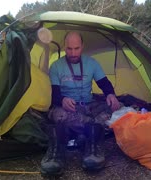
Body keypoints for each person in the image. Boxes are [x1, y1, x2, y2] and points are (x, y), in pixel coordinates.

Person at [40, 31, 120, 176]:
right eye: (69, 49)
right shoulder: (56, 67)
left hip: (88, 105)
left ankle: (82, 137)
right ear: (65, 47)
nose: (73, 53)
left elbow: (105, 84)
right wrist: (62, 100)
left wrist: (111, 94)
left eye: (76, 48)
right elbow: (54, 94)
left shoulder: (92, 63)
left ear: (82, 47)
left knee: (112, 107)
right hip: (67, 108)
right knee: (58, 115)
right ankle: (90, 132)